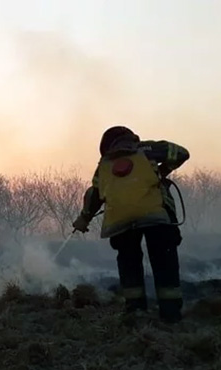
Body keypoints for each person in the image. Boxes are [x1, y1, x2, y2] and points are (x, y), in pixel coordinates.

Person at [72, 126, 190, 323]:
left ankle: (135, 311)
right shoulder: (147, 150)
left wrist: (84, 218)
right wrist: (162, 171)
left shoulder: (104, 165)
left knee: (129, 263)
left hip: (120, 222)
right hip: (155, 217)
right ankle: (170, 314)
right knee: (164, 261)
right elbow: (181, 153)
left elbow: (94, 194)